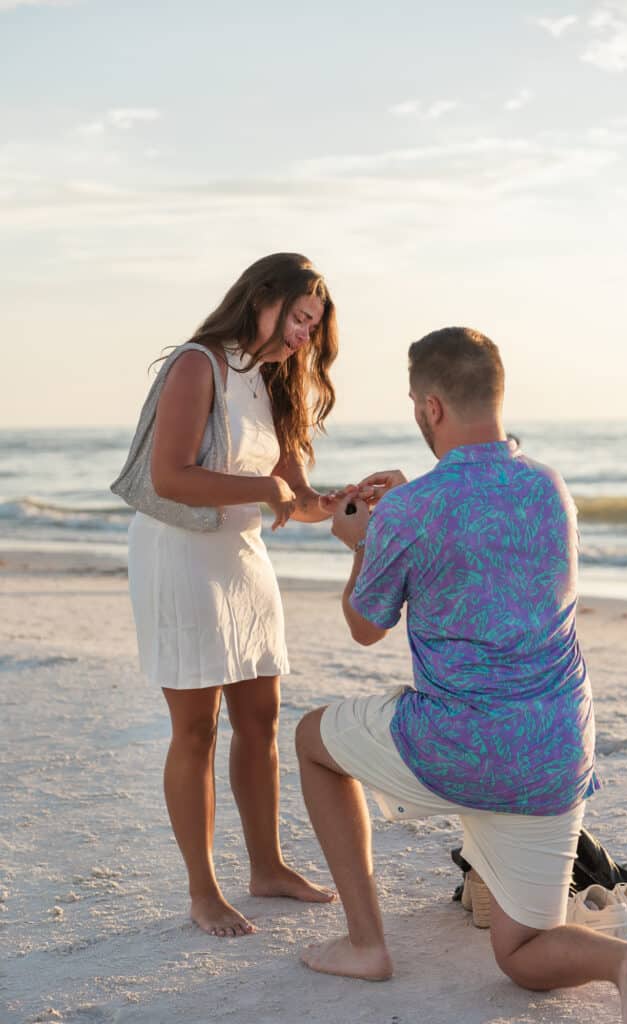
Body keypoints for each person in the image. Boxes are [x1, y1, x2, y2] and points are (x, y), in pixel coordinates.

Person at [295, 327, 627, 1023]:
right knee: (521, 950)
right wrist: (406, 504)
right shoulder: (549, 489)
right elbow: (483, 546)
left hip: (458, 747)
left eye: (415, 402)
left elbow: (364, 626)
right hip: (553, 751)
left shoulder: (410, 512)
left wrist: (361, 543)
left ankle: (365, 943)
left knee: (312, 740)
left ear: (431, 407)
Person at [125, 253, 340, 938]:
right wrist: (265, 490)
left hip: (240, 555)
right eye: (300, 318)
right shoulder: (198, 364)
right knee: (196, 729)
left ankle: (268, 866)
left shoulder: (274, 381)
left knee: (262, 720)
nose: (306, 334)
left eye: (314, 325)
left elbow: (297, 503)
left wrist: (347, 500)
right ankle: (203, 890)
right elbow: (170, 476)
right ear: (263, 298)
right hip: (178, 553)